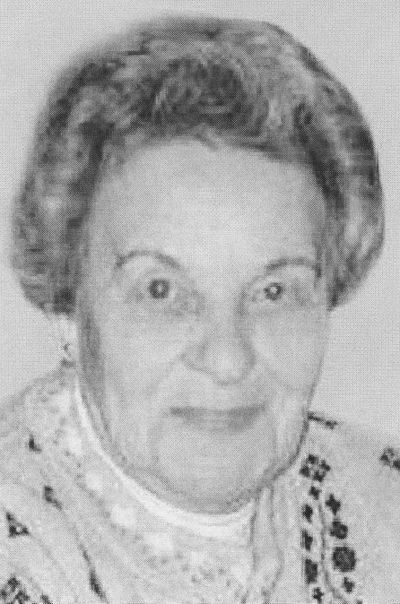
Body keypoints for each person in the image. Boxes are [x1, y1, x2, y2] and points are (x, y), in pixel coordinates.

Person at [1, 15, 399, 604]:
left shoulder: (384, 501)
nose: (228, 359)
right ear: (68, 307)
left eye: (275, 291)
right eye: (162, 291)